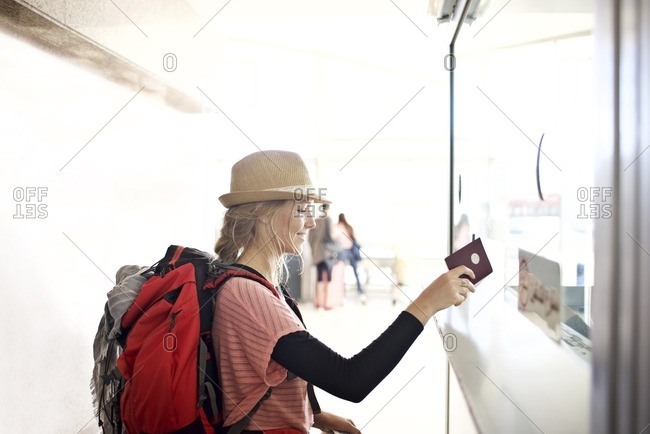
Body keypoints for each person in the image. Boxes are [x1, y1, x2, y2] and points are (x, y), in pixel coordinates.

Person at [212, 150, 476, 434]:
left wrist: (316, 416)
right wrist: (426, 304)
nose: (312, 222)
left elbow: (261, 383)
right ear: (263, 214)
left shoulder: (256, 285)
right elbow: (351, 380)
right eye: (302, 210)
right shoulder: (250, 297)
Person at [308, 208, 338, 309]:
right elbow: (331, 236)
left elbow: (310, 239)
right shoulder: (328, 220)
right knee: (328, 278)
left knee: (319, 278)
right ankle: (326, 303)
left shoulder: (315, 221)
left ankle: (318, 303)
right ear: (328, 209)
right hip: (327, 252)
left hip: (317, 252)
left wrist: (313, 250)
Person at [336, 213, 366, 303]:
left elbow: (336, 239)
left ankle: (343, 295)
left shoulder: (338, 226)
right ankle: (361, 292)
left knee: (342, 273)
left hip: (343, 251)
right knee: (356, 272)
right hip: (351, 251)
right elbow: (355, 239)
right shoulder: (349, 227)